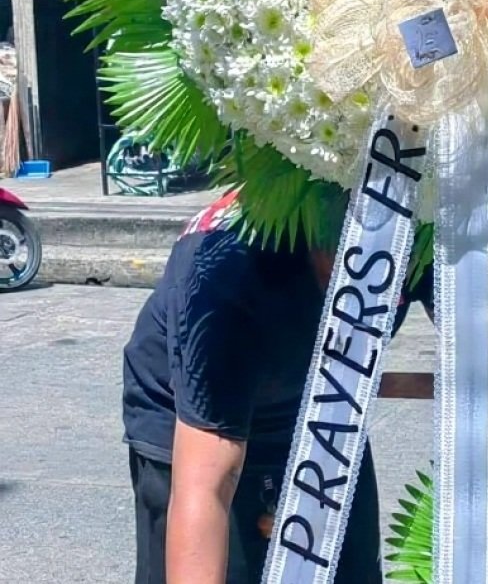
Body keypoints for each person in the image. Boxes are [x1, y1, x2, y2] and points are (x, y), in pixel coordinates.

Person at [122, 189, 382, 584]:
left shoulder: (413, 238)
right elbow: (204, 488)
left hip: (319, 392)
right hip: (190, 406)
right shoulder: (227, 273)